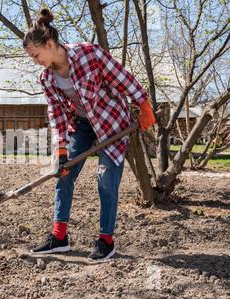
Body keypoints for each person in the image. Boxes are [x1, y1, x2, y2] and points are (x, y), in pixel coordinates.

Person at [23, 8, 156, 262]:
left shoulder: (89, 54)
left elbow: (121, 78)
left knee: (105, 180)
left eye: (36, 55)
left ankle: (106, 241)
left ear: (50, 44)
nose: (35, 61)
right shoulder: (47, 78)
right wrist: (60, 149)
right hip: (82, 124)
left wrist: (143, 103)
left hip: (112, 123)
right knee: (62, 173)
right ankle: (59, 237)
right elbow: (57, 114)